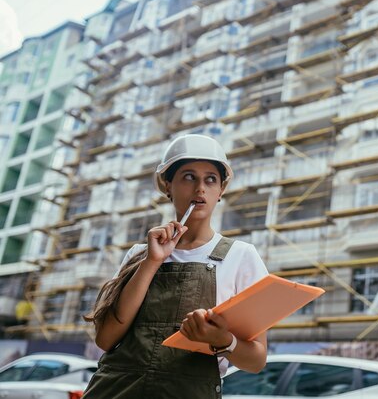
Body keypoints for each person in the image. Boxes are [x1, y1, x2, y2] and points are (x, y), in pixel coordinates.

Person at [83, 134, 268, 398]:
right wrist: (152, 262)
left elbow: (257, 360)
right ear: (168, 186)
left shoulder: (241, 257)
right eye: (189, 177)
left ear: (221, 191)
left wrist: (222, 341)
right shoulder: (139, 254)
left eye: (210, 179)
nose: (200, 188)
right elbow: (106, 339)